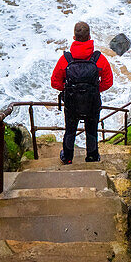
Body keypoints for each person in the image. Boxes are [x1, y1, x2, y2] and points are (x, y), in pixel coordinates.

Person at [51, 21, 113, 164]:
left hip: (72, 104)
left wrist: (69, 90)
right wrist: (94, 90)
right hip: (92, 103)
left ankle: (67, 158)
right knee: (91, 130)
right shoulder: (99, 59)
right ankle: (92, 157)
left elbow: (55, 82)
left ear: (74, 37)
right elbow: (108, 82)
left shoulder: (65, 60)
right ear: (89, 36)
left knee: (70, 130)